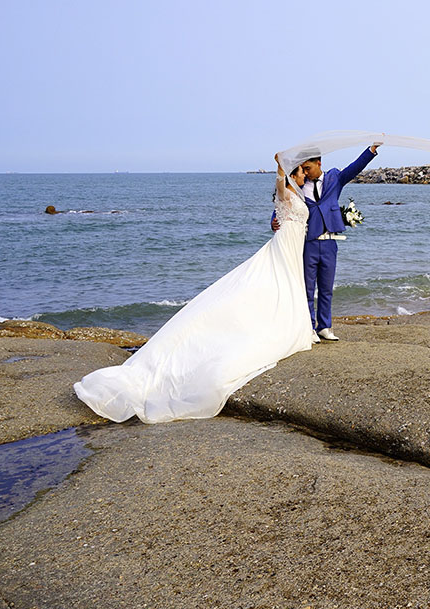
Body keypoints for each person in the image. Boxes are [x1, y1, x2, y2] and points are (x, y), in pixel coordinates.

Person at [73, 154, 315, 423]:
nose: (306, 174)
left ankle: (294, 321)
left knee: (287, 282)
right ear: (294, 173)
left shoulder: (300, 191)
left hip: (295, 243)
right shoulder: (285, 189)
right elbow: (280, 190)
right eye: (302, 172)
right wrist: (280, 169)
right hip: (285, 243)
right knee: (272, 280)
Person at [272, 144, 379, 342]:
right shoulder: (300, 184)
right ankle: (309, 328)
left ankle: (325, 326)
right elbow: (285, 199)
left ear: (318, 163)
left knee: (327, 288)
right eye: (302, 169)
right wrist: (274, 218)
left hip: (330, 243)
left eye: (307, 168)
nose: (305, 172)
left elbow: (355, 167)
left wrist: (371, 150)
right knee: (307, 288)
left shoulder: (334, 178)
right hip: (308, 243)